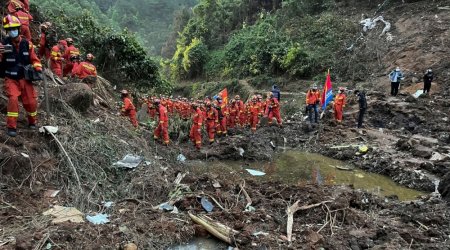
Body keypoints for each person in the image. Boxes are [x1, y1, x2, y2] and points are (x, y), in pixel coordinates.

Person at [0, 14, 42, 137]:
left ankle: (32, 122)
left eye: (14, 29)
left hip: (25, 78)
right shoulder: (3, 45)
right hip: (11, 78)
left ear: (18, 29)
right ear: (7, 31)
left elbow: (35, 59)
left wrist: (37, 67)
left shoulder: (27, 44)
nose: (12, 31)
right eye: (9, 29)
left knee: (31, 102)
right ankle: (11, 127)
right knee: (13, 99)